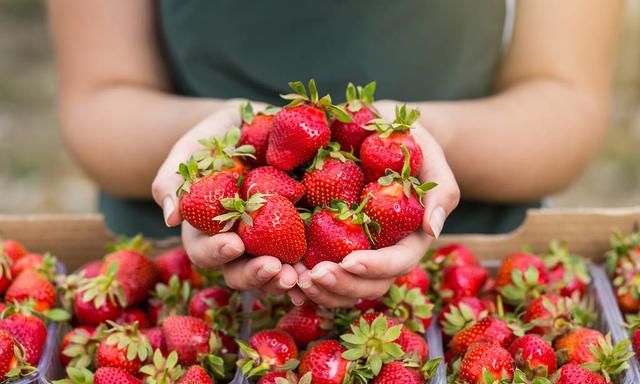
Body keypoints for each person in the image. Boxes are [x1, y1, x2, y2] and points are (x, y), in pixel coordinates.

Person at [48, 0, 621, 307]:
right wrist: (216, 137)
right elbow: (97, 103)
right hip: (180, 267)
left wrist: (426, 131)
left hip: (466, 270)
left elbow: (565, 103)